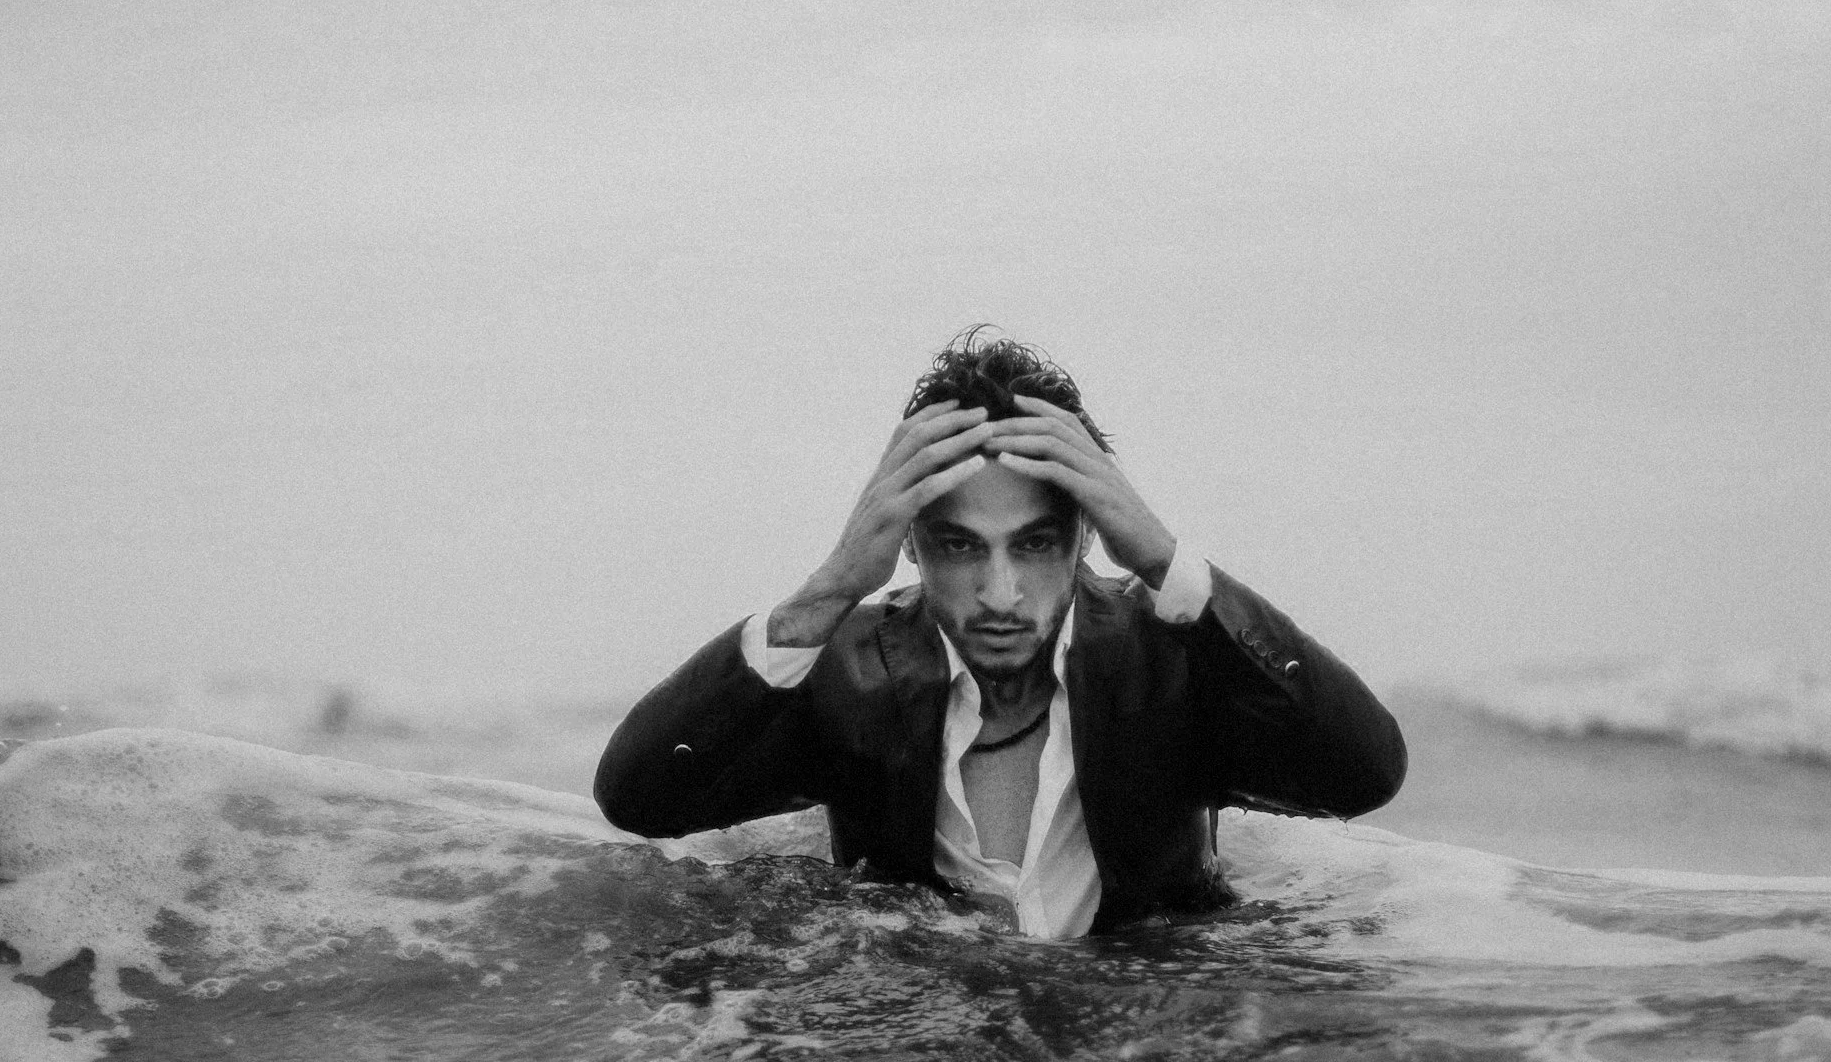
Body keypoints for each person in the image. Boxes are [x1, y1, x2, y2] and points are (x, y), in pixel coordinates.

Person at [596, 331, 1406, 938]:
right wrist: (832, 586)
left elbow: (1362, 773)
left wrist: (1163, 558)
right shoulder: (847, 671)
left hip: (1143, 1051)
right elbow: (641, 800)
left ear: (1084, 536)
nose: (1000, 594)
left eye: (1034, 544)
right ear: (908, 543)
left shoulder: (1171, 659)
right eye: (959, 547)